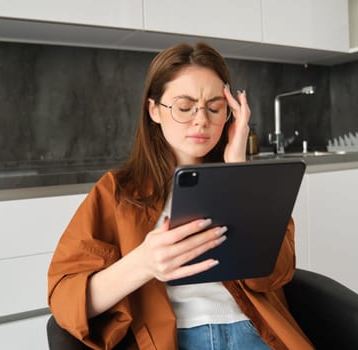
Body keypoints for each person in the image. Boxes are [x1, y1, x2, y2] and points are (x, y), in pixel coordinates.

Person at [47, 42, 313, 350]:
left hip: (253, 331)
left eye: (214, 107)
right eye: (185, 107)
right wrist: (144, 263)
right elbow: (66, 301)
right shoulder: (117, 192)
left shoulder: (251, 182)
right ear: (154, 110)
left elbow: (274, 275)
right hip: (177, 339)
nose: (201, 120)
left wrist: (238, 170)